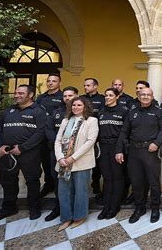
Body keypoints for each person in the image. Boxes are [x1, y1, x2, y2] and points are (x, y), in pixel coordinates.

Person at [0, 85, 46, 223]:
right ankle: (8, 207)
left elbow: (40, 133)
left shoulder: (38, 111)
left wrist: (22, 147)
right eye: (15, 93)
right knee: (7, 182)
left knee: (32, 181)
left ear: (30, 95)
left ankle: (34, 207)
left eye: (21, 93)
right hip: (7, 153)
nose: (16, 95)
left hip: (29, 153)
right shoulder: (7, 111)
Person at [116, 87, 162, 223]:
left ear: (152, 96)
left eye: (148, 95)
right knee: (137, 182)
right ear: (138, 96)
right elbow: (124, 132)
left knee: (153, 182)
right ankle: (140, 207)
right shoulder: (131, 113)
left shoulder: (158, 112)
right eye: (142, 94)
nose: (145, 97)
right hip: (134, 152)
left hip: (151, 151)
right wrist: (119, 150)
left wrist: (157, 143)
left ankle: (155, 207)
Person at [54, 96, 99, 231]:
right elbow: (58, 141)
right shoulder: (65, 121)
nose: (76, 107)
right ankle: (66, 218)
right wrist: (60, 158)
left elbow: (90, 142)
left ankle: (79, 217)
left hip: (81, 162)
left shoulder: (91, 121)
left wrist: (72, 158)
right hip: (63, 163)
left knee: (80, 191)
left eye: (79, 105)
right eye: (73, 105)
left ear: (85, 107)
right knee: (64, 192)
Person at [44, 86, 78, 222]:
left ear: (76, 95)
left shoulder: (83, 113)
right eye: (65, 96)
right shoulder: (57, 112)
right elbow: (49, 129)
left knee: (76, 180)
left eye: (70, 95)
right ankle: (59, 206)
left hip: (76, 153)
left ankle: (75, 207)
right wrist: (59, 146)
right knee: (58, 179)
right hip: (57, 152)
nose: (67, 98)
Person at [97, 88, 128, 220]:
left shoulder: (123, 112)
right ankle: (106, 206)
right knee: (107, 177)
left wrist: (120, 150)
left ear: (117, 97)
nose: (107, 97)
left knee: (117, 177)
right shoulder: (101, 112)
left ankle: (115, 206)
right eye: (106, 95)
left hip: (117, 147)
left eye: (110, 95)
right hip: (103, 147)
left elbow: (125, 133)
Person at [37, 73, 64, 198]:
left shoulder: (63, 97)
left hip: (57, 135)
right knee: (45, 161)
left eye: (54, 81)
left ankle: (59, 186)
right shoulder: (41, 98)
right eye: (49, 81)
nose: (50, 83)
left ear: (59, 83)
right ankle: (48, 184)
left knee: (57, 162)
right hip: (42, 134)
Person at [81, 77, 104, 196]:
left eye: (88, 85)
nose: (85, 87)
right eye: (85, 85)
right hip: (82, 136)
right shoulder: (81, 99)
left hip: (97, 136)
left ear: (95, 86)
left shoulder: (102, 99)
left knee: (97, 162)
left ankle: (95, 183)